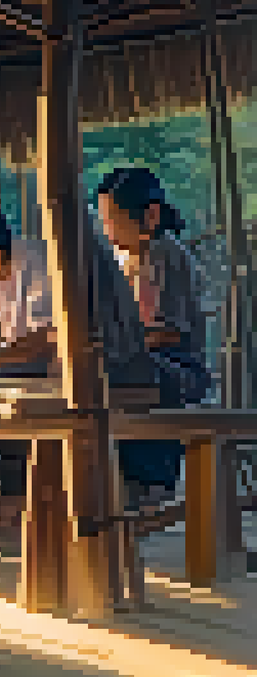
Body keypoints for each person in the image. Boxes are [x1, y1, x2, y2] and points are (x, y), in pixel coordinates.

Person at [0, 203, 156, 524]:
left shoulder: (40, 262)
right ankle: (5, 491)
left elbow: (45, 339)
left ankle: (28, 495)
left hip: (79, 364)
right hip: (23, 359)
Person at [97, 167, 210, 509]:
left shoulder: (163, 254)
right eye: (103, 220)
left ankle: (149, 481)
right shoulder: (126, 257)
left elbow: (168, 332)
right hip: (144, 356)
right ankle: (118, 477)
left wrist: (113, 345)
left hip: (178, 365)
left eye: (113, 219)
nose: (107, 229)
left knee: (117, 373)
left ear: (150, 214)